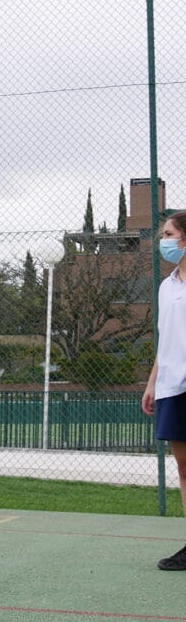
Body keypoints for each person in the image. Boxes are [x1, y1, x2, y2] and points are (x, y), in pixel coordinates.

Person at [143, 211, 186, 571]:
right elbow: (165, 340)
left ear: (185, 239)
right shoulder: (166, 286)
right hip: (173, 386)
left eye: (169, 233)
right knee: (185, 471)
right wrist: (153, 382)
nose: (163, 240)